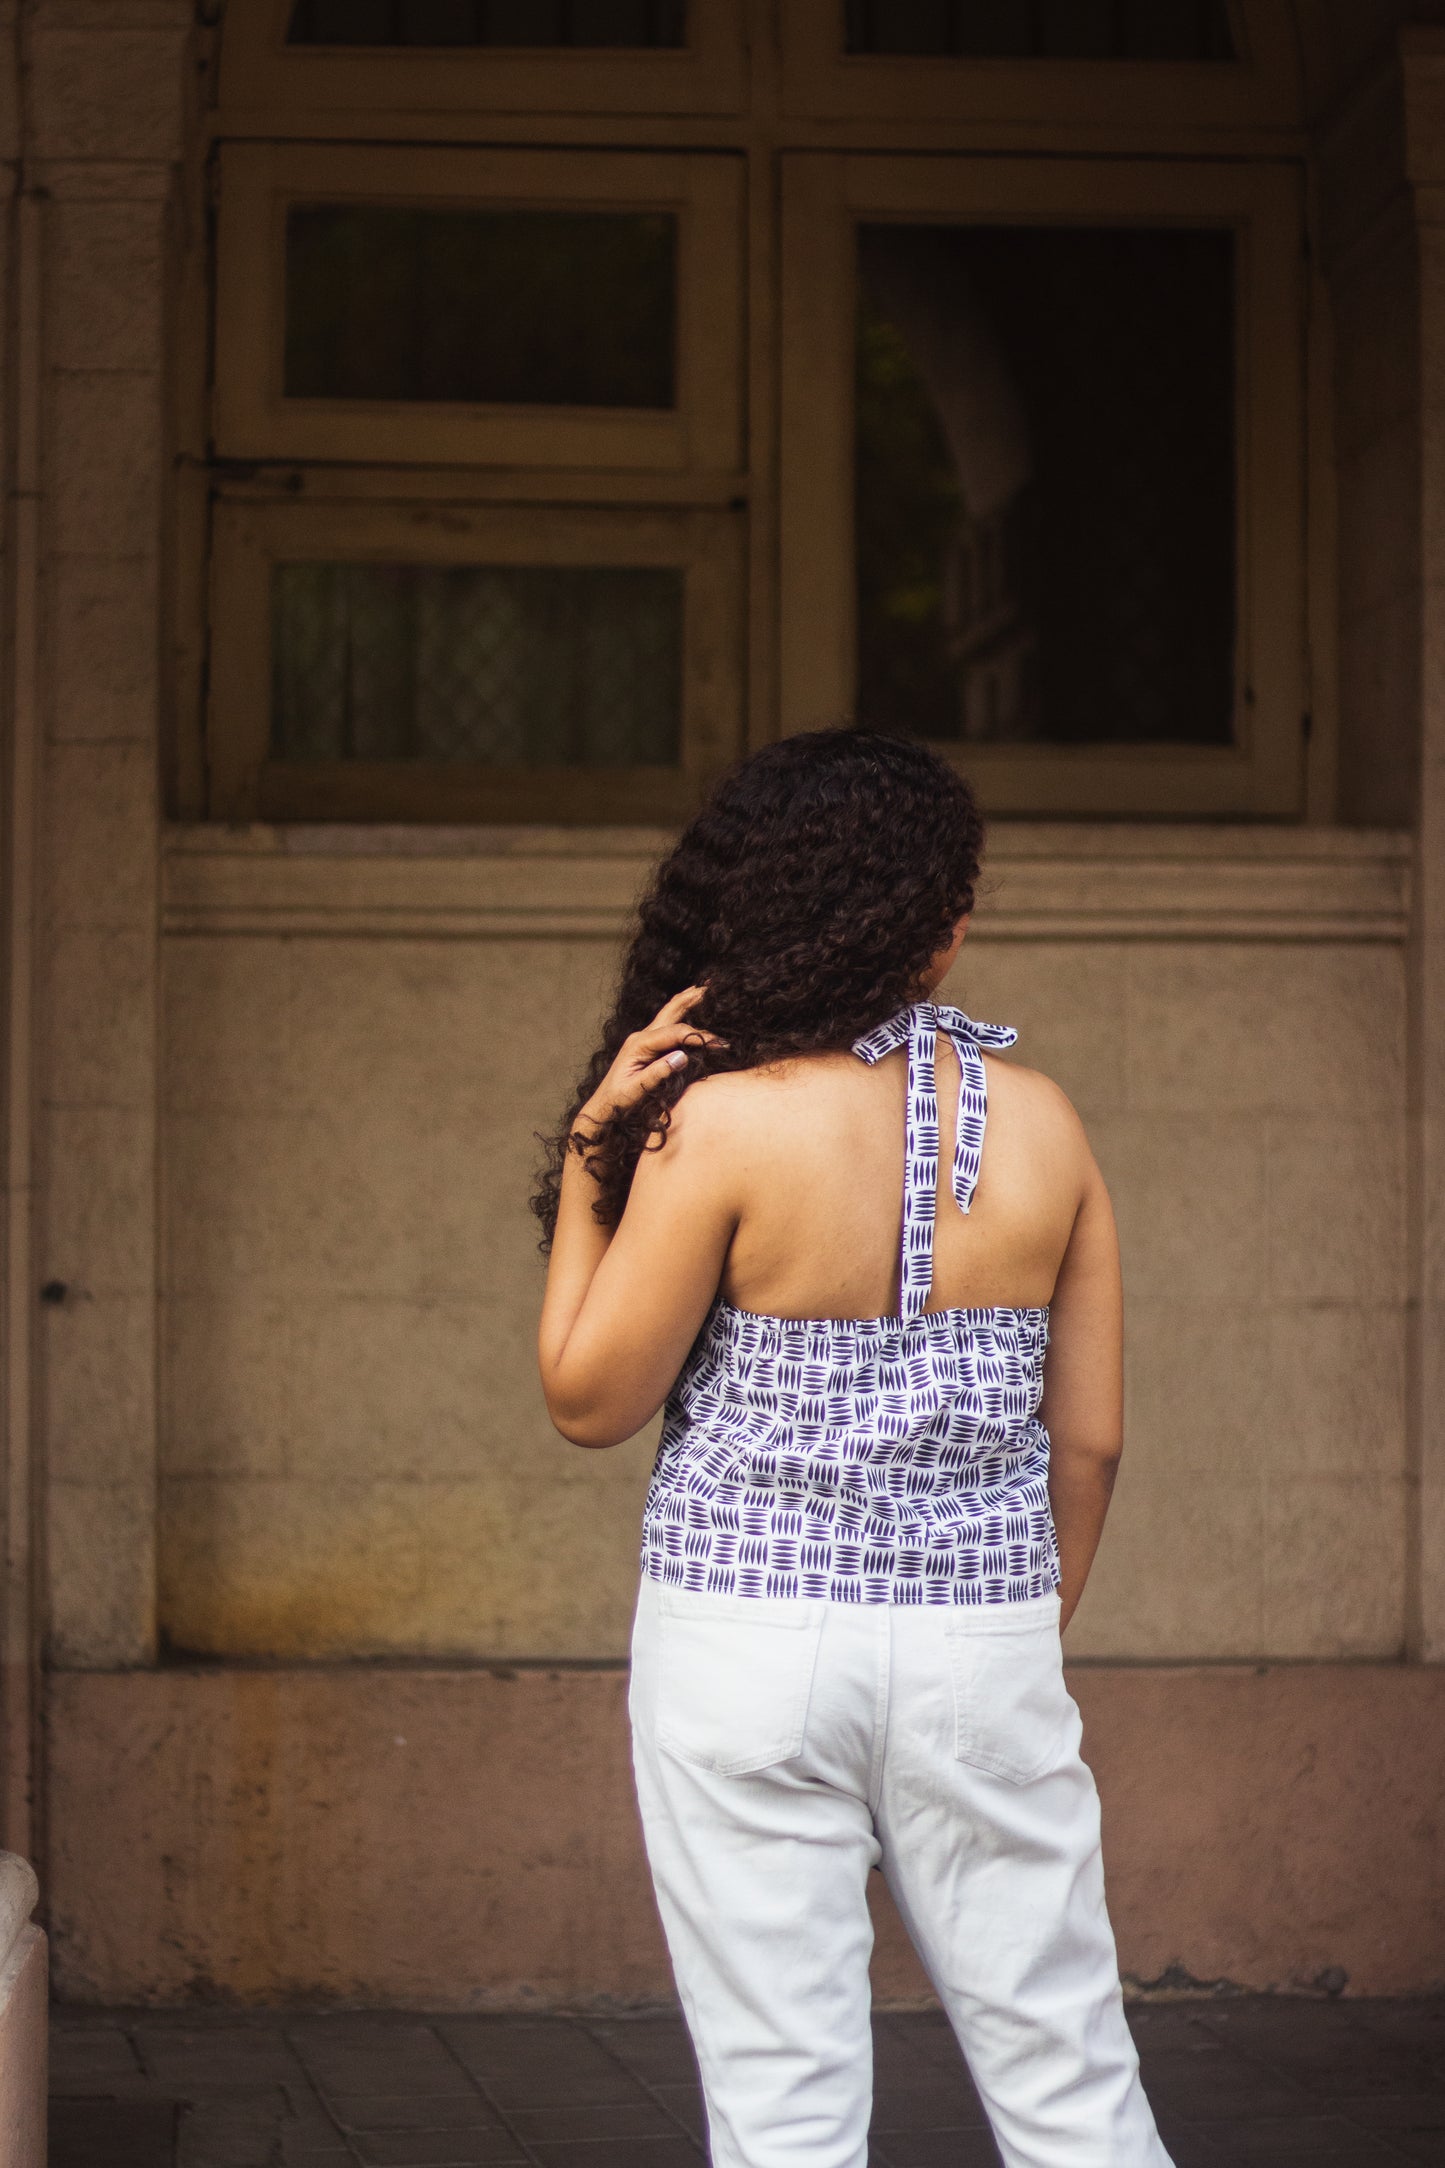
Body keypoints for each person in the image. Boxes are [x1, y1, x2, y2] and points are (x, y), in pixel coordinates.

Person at [535, 727, 1173, 2168]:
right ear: (934, 931)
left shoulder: (717, 1128)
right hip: (978, 1633)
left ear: (754, 914)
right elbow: (1091, 1440)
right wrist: (1017, 1623)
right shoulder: (1047, 1126)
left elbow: (587, 1400)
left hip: (746, 1640)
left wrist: (593, 1161)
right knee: (1070, 2072)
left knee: (784, 2098)